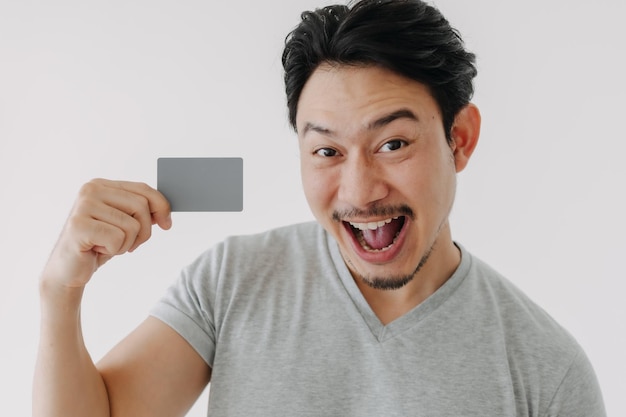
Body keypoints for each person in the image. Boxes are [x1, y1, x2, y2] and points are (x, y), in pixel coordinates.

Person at [33, 0, 606, 416]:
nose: (359, 191)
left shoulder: (546, 372)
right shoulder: (233, 282)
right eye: (327, 150)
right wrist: (61, 291)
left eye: (393, 144)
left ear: (460, 139)